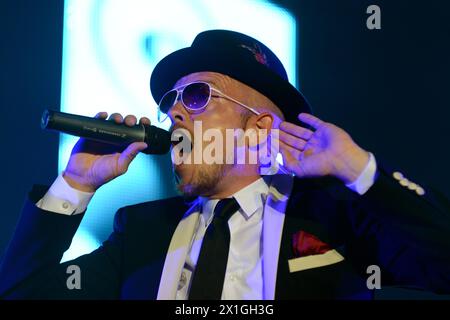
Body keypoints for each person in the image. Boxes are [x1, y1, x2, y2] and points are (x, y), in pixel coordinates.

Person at [1, 29, 449, 300]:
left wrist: (359, 170)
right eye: (169, 102)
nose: (174, 113)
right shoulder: (141, 233)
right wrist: (75, 184)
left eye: (196, 96)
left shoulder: (333, 217)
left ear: (259, 127)